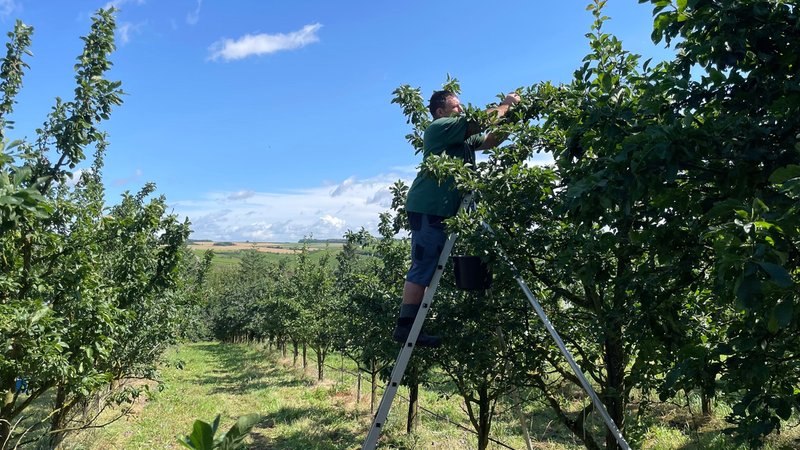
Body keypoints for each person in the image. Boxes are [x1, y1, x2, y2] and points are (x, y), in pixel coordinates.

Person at [393, 89, 521, 347]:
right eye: (456, 107)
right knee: (423, 265)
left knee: (429, 265)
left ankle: (411, 327)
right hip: (429, 207)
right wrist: (506, 104)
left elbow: (491, 140)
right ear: (441, 112)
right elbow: (478, 122)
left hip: (446, 209)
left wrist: (513, 117)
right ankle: (405, 328)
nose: (461, 110)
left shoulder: (461, 139)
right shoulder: (439, 127)